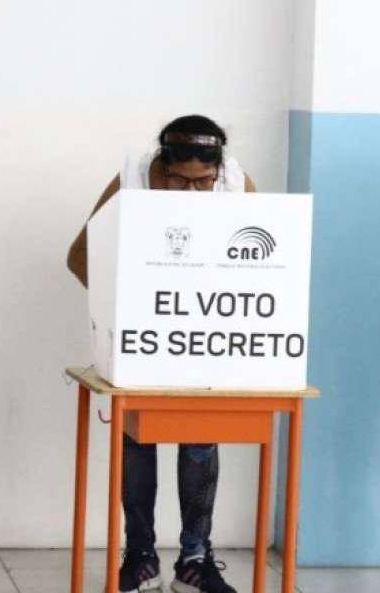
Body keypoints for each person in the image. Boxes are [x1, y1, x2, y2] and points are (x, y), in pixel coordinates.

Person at [66, 114, 255, 593]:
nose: (192, 192)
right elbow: (80, 255)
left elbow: (263, 265)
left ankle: (195, 559)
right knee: (137, 440)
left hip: (203, 336)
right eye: (179, 181)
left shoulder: (235, 185)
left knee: (201, 440)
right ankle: (141, 556)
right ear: (161, 167)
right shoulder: (131, 179)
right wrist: (122, 309)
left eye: (202, 182)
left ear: (217, 171)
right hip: (142, 338)